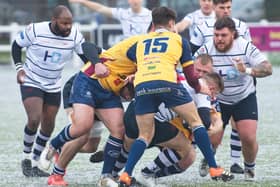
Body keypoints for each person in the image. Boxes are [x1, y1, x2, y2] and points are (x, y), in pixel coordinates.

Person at [118, 7, 233, 186]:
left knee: (144, 136)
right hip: (166, 83)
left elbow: (128, 53)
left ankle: (126, 174)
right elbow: (189, 73)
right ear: (172, 23)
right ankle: (213, 167)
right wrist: (198, 87)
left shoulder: (141, 41)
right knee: (196, 124)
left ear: (154, 24)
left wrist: (148, 62)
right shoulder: (179, 40)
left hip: (142, 85)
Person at [40, 35, 141, 187]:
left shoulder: (144, 66)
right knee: (82, 130)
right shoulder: (123, 51)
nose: (128, 97)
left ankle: (105, 177)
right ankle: (54, 155)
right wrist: (97, 63)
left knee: (115, 132)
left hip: (108, 94)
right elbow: (86, 45)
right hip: (86, 84)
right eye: (129, 94)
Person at [11, 5, 89, 177]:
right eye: (64, 23)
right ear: (54, 20)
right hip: (31, 79)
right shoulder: (35, 30)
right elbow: (16, 46)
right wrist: (19, 68)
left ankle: (34, 161)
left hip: (53, 84)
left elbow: (86, 57)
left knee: (48, 124)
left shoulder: (74, 35)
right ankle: (25, 158)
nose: (68, 27)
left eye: (70, 23)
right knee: (34, 118)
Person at [195, 17, 272, 181]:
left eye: (223, 35)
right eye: (216, 35)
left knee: (248, 137)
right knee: (213, 139)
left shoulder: (244, 46)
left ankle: (249, 168)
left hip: (244, 97)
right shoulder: (206, 49)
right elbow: (192, 69)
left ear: (233, 35)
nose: (219, 39)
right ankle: (209, 157)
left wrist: (247, 70)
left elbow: (267, 68)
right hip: (217, 99)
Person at [190, 0, 252, 174]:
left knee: (238, 124)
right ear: (214, 8)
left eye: (229, 7)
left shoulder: (242, 26)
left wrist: (249, 78)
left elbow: (248, 51)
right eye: (222, 7)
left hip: (236, 83)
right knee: (214, 125)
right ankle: (208, 155)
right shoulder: (203, 27)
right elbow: (192, 54)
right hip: (211, 86)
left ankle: (235, 162)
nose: (226, 11)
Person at [69, 0, 151, 39]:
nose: (135, 1)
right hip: (129, 50)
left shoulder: (150, 15)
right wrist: (82, 1)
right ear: (128, 1)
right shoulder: (123, 13)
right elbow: (100, 8)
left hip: (145, 50)